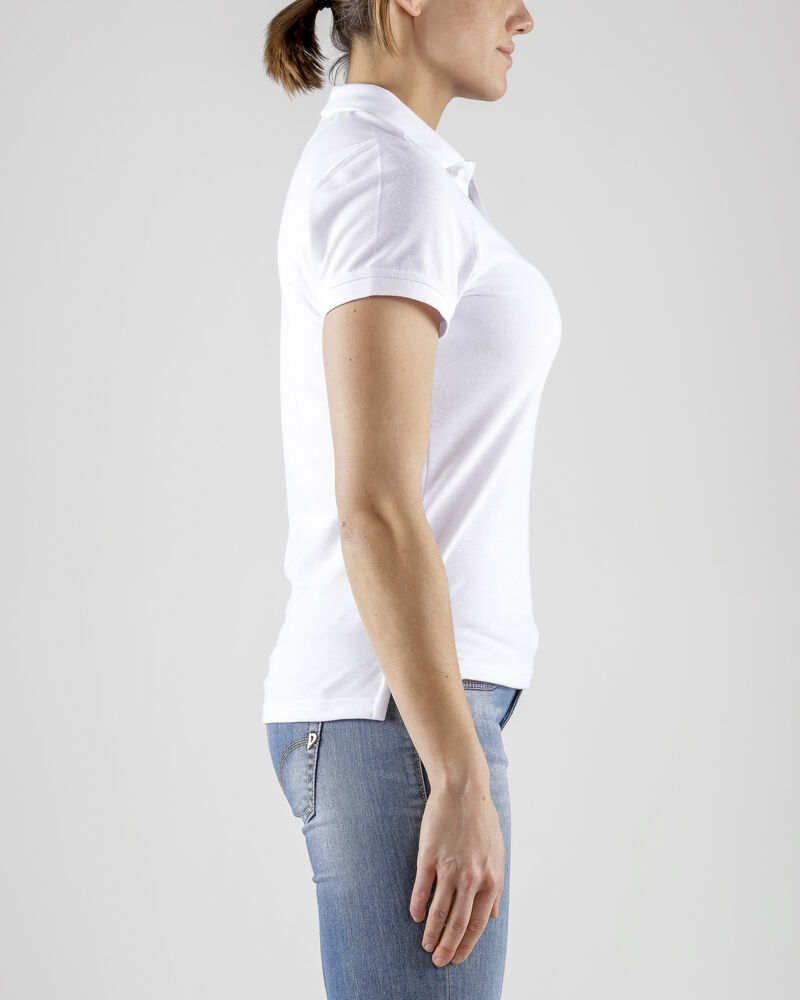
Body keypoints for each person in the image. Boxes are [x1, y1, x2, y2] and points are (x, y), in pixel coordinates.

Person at [261, 2, 560, 997]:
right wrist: (457, 768)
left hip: (405, 709)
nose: (524, 15)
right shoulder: (388, 179)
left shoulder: (401, 172)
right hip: (400, 713)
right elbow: (377, 505)